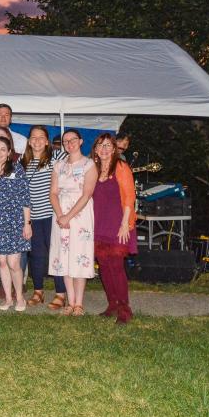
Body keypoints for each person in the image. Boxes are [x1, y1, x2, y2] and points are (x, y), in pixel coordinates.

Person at [48, 129, 97, 316]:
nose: (69, 143)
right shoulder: (58, 165)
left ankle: (79, 303)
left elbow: (87, 194)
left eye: (73, 140)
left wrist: (69, 216)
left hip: (80, 214)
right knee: (64, 257)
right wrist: (61, 215)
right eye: (65, 141)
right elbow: (52, 192)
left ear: (81, 141)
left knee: (79, 255)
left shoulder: (88, 164)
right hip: (60, 214)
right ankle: (70, 301)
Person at [91, 133, 137, 324]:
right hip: (99, 224)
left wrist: (125, 224)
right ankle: (112, 304)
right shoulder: (92, 169)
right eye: (101, 145)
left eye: (108, 145)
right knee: (103, 266)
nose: (104, 149)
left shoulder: (121, 166)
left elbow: (129, 196)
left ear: (115, 149)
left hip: (119, 225)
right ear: (95, 149)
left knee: (117, 267)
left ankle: (125, 309)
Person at [0, 137, 32, 312]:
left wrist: (27, 223)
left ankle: (20, 298)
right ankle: (8, 298)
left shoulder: (17, 169)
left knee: (14, 263)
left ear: (9, 152)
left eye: (3, 149)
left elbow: (25, 197)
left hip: (15, 222)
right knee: (2, 262)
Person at [22, 126, 68, 310]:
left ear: (47, 141)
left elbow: (75, 163)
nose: (38, 140)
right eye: (34, 137)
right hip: (32, 217)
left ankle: (60, 293)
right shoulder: (23, 162)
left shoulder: (56, 158)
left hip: (52, 215)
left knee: (56, 254)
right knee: (36, 256)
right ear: (29, 141)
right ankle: (38, 291)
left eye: (42, 137)